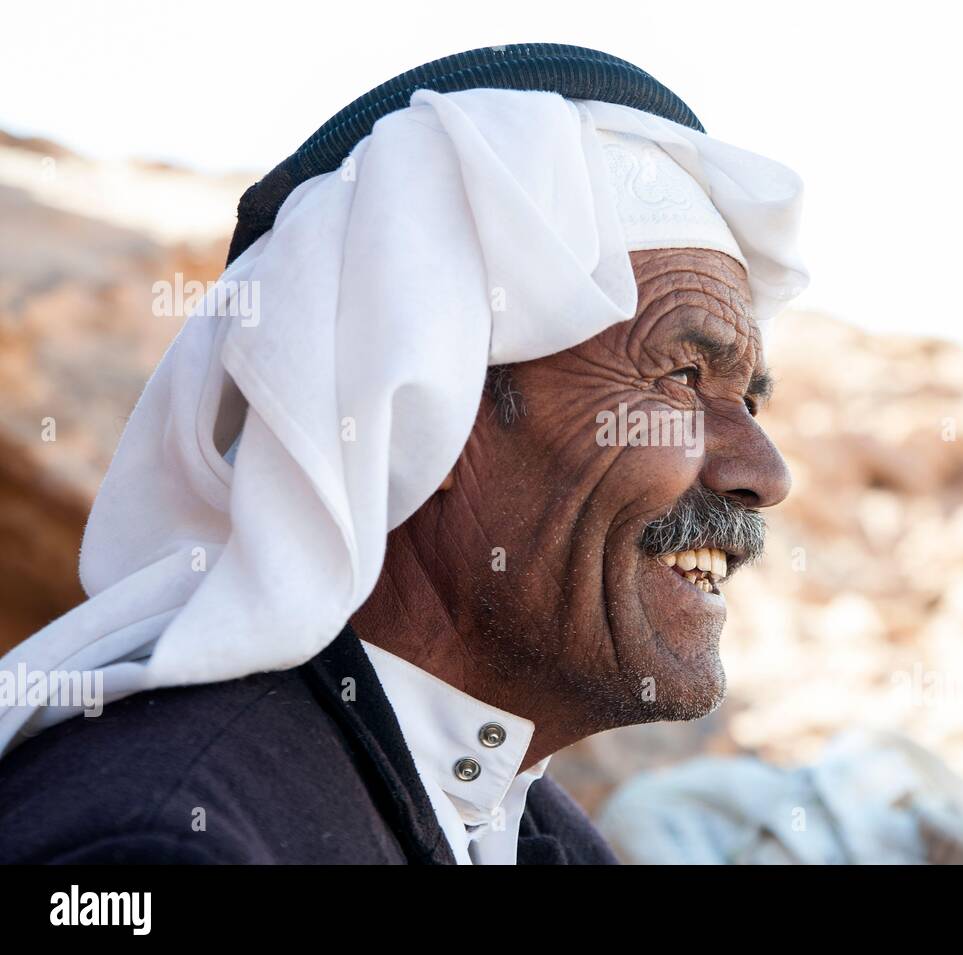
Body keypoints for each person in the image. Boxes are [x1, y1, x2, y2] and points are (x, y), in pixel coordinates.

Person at [0, 43, 808, 864]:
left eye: (747, 400)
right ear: (424, 411)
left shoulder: (532, 835)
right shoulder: (157, 838)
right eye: (680, 375)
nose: (766, 474)